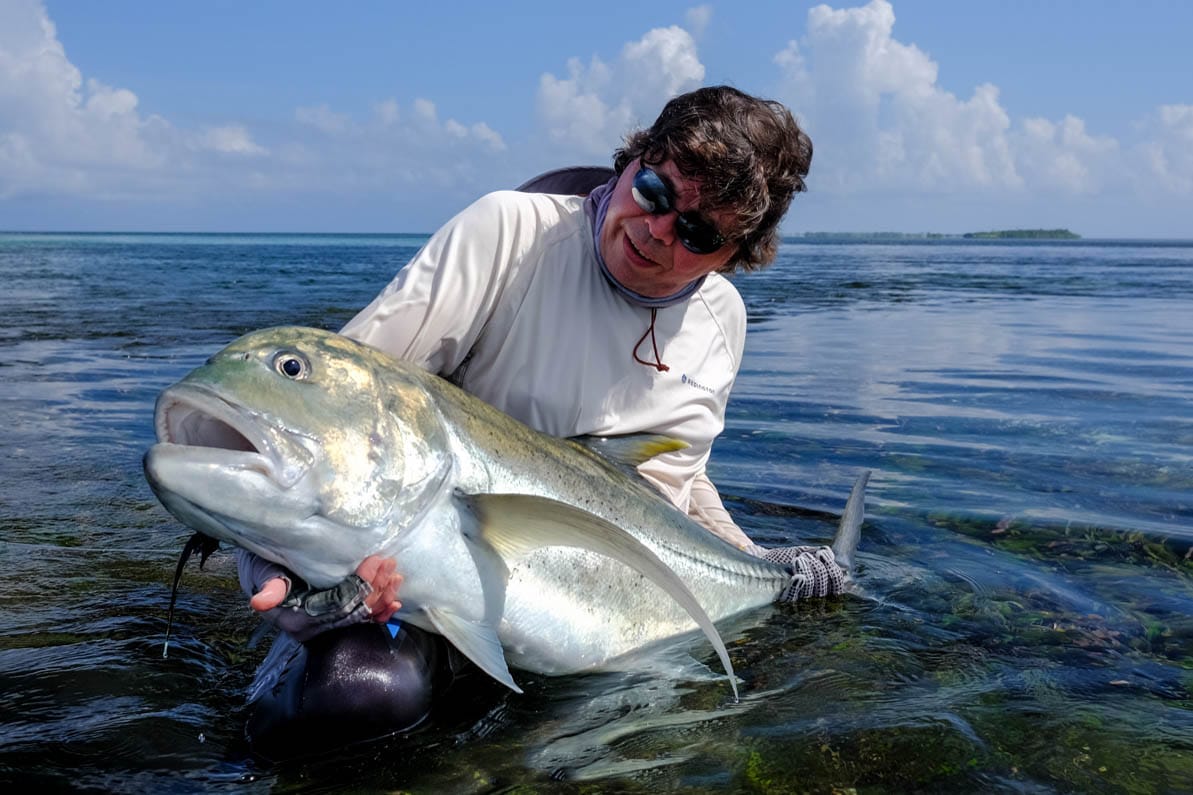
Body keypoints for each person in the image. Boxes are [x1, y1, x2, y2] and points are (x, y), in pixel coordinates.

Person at [238, 85, 842, 751]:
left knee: (644, 749)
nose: (657, 231)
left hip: (596, 608)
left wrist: (760, 561)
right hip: (424, 587)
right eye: (654, 191)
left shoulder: (722, 321)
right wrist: (286, 574)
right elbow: (327, 416)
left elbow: (675, 484)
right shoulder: (506, 237)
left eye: (697, 233)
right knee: (358, 693)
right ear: (630, 160)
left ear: (735, 254)